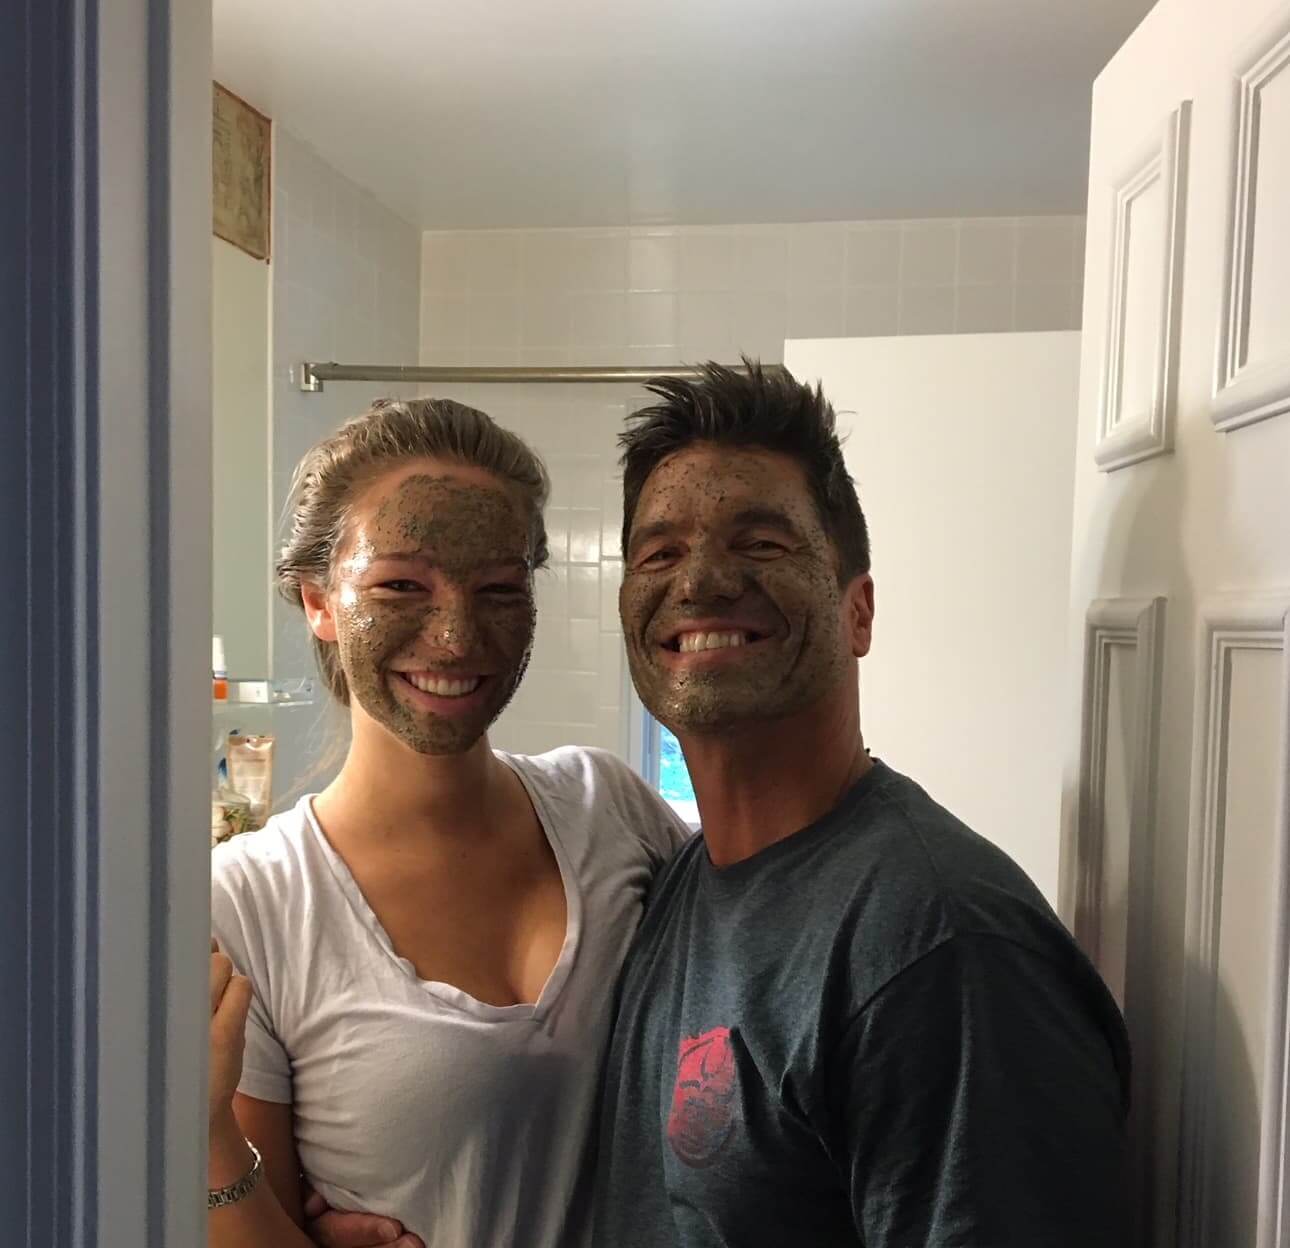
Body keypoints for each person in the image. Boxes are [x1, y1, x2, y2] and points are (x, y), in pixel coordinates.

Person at [303, 361, 1130, 1248]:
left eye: (761, 543)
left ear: (859, 611)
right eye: (659, 553)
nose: (699, 582)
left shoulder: (942, 946)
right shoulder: (678, 878)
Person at [207, 397, 689, 1248]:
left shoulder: (611, 809)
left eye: (500, 589)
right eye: (401, 585)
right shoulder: (254, 903)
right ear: (318, 600)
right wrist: (208, 1139)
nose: (458, 637)